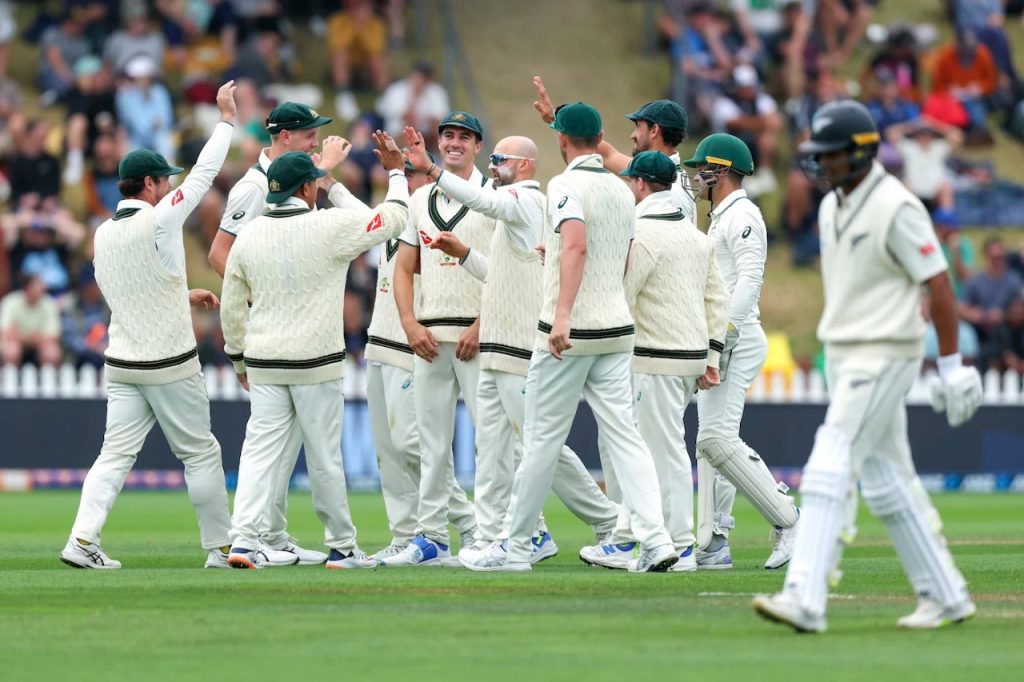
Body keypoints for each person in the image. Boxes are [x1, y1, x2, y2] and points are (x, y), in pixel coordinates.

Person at [754, 100, 982, 633]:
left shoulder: (897, 206)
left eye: (832, 155)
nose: (822, 164)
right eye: (819, 155)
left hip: (885, 352)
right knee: (885, 481)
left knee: (830, 460)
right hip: (845, 353)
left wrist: (951, 365)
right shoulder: (831, 207)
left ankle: (804, 598)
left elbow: (938, 281)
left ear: (860, 154)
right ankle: (946, 595)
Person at [460, 102, 678, 573]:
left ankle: (516, 547)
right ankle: (656, 539)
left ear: (561, 139)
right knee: (625, 437)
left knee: (540, 440)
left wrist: (562, 315)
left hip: (571, 331)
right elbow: (619, 254)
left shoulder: (563, 185)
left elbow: (576, 244)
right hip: (615, 328)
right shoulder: (621, 188)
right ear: (598, 139)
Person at [402, 127, 620, 562]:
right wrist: (465, 254)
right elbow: (498, 274)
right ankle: (490, 535)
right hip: (496, 347)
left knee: (539, 446)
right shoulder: (513, 210)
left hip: (519, 345)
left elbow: (483, 200)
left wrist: (433, 170)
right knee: (493, 449)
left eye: (500, 160)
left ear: (524, 166)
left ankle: (605, 520)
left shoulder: (527, 201)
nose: (493, 166)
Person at [59, 81, 238, 570]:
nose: (171, 187)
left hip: (122, 364)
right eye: (165, 181)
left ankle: (82, 540)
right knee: (200, 454)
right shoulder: (159, 220)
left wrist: (180, 295)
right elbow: (204, 174)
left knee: (114, 455)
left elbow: (126, 292)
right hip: (169, 362)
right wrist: (225, 120)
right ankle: (221, 548)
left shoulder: (102, 233)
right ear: (151, 184)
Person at [220, 136, 410, 571]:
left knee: (258, 453)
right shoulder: (328, 226)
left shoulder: (248, 236)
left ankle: (244, 540)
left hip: (265, 362)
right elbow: (395, 218)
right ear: (307, 188)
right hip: (316, 363)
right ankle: (342, 547)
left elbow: (232, 306)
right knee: (324, 458)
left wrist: (237, 359)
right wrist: (397, 173)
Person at [208, 101, 361, 568]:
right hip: (291, 342)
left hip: (272, 348)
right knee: (299, 451)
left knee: (273, 448)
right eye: (309, 134)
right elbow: (221, 253)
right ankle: (277, 538)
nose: (316, 141)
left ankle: (265, 536)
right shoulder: (254, 188)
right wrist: (270, 304)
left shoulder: (287, 183)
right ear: (285, 137)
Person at [577, 151, 729, 572]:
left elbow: (623, 294)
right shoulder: (697, 237)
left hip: (655, 357)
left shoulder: (641, 234)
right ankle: (627, 539)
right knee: (648, 450)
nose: (628, 188)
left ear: (641, 184)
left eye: (631, 181)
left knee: (660, 452)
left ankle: (680, 545)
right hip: (685, 357)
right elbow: (717, 300)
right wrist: (712, 356)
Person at [380, 111, 493, 567]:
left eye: (464, 137)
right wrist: (409, 323)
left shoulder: (492, 196)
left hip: (481, 338)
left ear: (478, 146)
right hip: (430, 337)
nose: (454, 143)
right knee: (431, 443)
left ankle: (497, 533)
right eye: (448, 135)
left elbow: (510, 271)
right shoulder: (420, 197)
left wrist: (483, 325)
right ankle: (432, 538)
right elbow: (403, 268)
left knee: (493, 440)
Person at [682, 133, 799, 570]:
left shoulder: (743, 215)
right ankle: (714, 540)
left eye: (702, 168)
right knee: (710, 444)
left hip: (736, 338)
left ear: (722, 170)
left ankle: (789, 519)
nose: (696, 176)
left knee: (716, 440)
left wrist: (721, 340)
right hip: (721, 338)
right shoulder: (721, 217)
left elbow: (750, 281)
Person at [362, 156, 478, 562]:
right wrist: (330, 181)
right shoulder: (391, 217)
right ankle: (404, 533)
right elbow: (355, 213)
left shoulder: (429, 215)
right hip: (379, 341)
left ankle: (467, 522)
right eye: (401, 175)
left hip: (412, 342)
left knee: (412, 443)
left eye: (411, 174)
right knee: (388, 451)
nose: (405, 182)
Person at [531, 78, 696, 222]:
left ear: (654, 130)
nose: (632, 135)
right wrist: (557, 119)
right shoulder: (657, 173)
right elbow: (607, 154)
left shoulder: (670, 189)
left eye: (638, 127)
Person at [959, 237, 1024, 344]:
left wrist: (1004, 315)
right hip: (980, 331)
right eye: (994, 257)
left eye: (1000, 257)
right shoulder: (975, 281)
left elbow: (1019, 309)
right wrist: (984, 316)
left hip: (1008, 330)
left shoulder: (1014, 281)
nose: (998, 261)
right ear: (986, 256)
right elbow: (962, 309)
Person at [0, 274, 62, 367]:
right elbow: (6, 332)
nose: (42, 290)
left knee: (52, 353)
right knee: (11, 351)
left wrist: (22, 336)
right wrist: (37, 337)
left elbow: (53, 336)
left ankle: (48, 376)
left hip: (40, 346)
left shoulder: (49, 303)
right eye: (37, 287)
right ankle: (9, 376)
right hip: (16, 344)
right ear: (26, 288)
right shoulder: (10, 301)